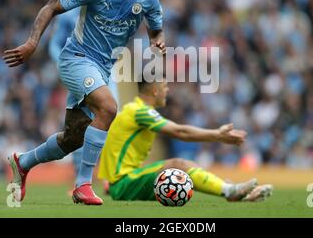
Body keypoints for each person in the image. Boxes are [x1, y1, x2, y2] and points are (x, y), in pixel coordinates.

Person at [3, 0, 166, 205]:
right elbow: (52, 5)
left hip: (103, 68)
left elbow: (156, 28)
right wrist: (33, 42)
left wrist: (157, 41)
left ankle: (23, 162)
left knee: (73, 139)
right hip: (76, 59)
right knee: (109, 108)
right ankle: (83, 185)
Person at [98, 76, 274, 202]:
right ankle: (229, 190)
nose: (167, 90)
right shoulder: (141, 112)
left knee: (188, 167)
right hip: (123, 182)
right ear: (155, 89)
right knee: (179, 165)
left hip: (120, 181)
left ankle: (231, 190)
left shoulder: (132, 110)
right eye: (165, 86)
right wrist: (217, 135)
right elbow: (180, 132)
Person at [48, 0, 119, 180]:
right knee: (85, 121)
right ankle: (81, 173)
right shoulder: (69, 14)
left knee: (110, 115)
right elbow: (55, 43)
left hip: (105, 71)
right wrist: (61, 64)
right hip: (80, 69)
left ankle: (102, 173)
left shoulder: (107, 11)